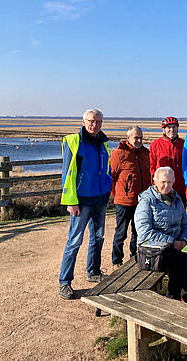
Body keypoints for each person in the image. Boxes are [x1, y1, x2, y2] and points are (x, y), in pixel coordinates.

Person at [58, 109, 112, 300]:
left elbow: (106, 170)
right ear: (83, 121)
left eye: (98, 121)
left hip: (100, 199)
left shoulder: (103, 142)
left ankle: (94, 272)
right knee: (74, 241)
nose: (94, 125)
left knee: (98, 237)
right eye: (91, 121)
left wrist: (107, 190)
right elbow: (67, 174)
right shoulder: (74, 141)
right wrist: (71, 201)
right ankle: (64, 282)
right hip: (81, 201)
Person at [134, 167, 187, 303]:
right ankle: (172, 298)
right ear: (155, 181)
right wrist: (173, 242)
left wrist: (184, 240)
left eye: (169, 182)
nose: (166, 186)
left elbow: (185, 224)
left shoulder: (177, 199)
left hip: (177, 244)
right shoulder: (147, 201)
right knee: (180, 261)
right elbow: (145, 233)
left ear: (173, 181)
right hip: (152, 249)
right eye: (162, 182)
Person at [110, 126, 151, 266]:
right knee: (121, 233)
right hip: (124, 201)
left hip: (142, 202)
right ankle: (117, 260)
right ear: (128, 138)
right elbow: (111, 177)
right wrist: (119, 195)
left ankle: (135, 257)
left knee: (138, 231)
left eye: (141, 137)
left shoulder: (146, 153)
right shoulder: (119, 154)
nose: (139, 140)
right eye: (136, 138)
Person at [149, 116, 186, 201]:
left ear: (177, 128)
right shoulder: (155, 145)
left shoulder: (184, 144)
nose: (172, 130)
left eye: (174, 127)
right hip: (162, 187)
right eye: (169, 127)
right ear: (164, 130)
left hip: (180, 186)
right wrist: (154, 182)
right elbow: (152, 165)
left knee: (180, 211)